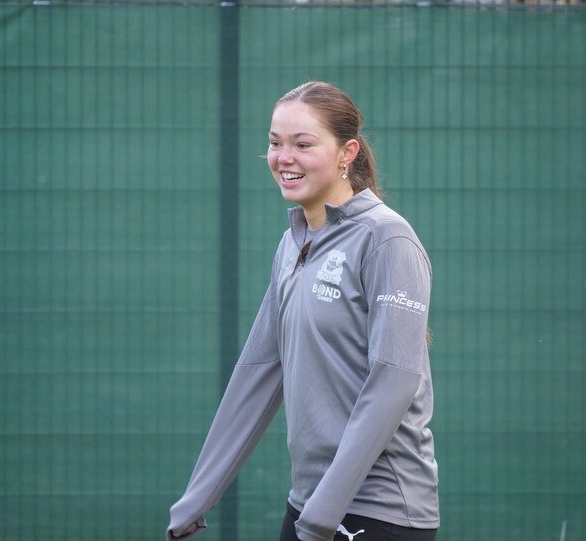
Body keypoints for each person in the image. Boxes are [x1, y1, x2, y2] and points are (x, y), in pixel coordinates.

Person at [167, 81, 439, 541]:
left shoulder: (386, 239)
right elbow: (258, 371)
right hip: (308, 508)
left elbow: (393, 381)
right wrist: (198, 495)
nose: (283, 157)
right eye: (275, 143)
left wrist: (322, 516)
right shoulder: (294, 241)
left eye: (302, 144)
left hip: (379, 513)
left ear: (346, 152)